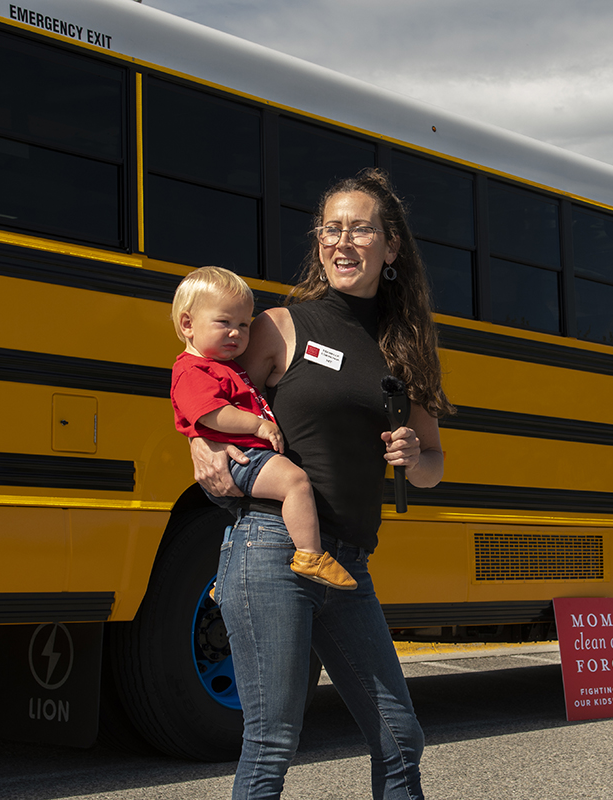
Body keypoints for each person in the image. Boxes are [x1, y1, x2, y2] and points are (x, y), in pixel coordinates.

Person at [191, 168, 454, 800]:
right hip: (271, 550)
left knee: (400, 739)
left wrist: (414, 454)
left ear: (391, 247)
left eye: (360, 228)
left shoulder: (405, 348)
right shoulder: (281, 327)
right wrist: (201, 442)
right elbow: (200, 382)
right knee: (273, 740)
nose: (343, 240)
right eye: (331, 228)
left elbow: (435, 466)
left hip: (348, 568)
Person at [170, 266, 356, 590]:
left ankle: (227, 580)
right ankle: (310, 554)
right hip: (242, 455)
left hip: (244, 454)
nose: (237, 333)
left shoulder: (221, 366)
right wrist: (258, 425)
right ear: (188, 324)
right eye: (224, 322)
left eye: (244, 324)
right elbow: (212, 414)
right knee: (295, 482)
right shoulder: (192, 370)